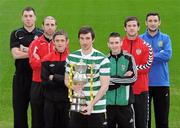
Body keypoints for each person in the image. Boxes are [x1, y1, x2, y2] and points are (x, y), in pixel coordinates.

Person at [64, 26, 110, 128]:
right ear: (79, 39)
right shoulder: (72, 57)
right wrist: (74, 87)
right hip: (77, 106)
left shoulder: (102, 59)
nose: (84, 42)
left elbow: (105, 86)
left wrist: (91, 105)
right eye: (82, 38)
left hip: (97, 108)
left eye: (88, 38)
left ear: (93, 39)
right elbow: (66, 80)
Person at [10, 7, 43, 128]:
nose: (28, 18)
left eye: (30, 16)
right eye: (25, 16)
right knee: (19, 112)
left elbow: (43, 55)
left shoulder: (41, 34)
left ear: (35, 17)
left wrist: (24, 49)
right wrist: (32, 52)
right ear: (22, 18)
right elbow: (15, 54)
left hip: (37, 79)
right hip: (20, 78)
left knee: (38, 112)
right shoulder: (16, 33)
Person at [140, 12, 172, 128]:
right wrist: (159, 53)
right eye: (150, 21)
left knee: (162, 119)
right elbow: (139, 59)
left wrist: (148, 55)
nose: (152, 23)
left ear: (159, 22)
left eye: (155, 21)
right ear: (146, 23)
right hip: (144, 84)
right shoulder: (140, 39)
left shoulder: (165, 38)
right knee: (144, 120)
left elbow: (167, 55)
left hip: (161, 83)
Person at [121, 16, 153, 128]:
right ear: (125, 28)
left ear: (138, 27)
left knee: (141, 122)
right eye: (129, 26)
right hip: (122, 91)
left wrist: (131, 70)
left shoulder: (146, 46)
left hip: (141, 90)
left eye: (134, 25)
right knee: (124, 123)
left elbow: (147, 67)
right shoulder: (118, 45)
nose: (131, 28)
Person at [28, 16, 57, 128]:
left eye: (52, 25)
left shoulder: (60, 42)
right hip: (38, 83)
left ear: (56, 26)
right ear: (42, 26)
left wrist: (41, 60)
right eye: (47, 24)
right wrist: (51, 63)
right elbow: (34, 65)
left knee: (52, 117)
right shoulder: (35, 43)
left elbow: (62, 65)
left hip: (53, 84)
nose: (50, 27)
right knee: (37, 117)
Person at [106, 32, 137, 128]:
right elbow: (103, 82)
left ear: (121, 43)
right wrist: (123, 78)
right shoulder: (104, 60)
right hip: (108, 106)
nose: (114, 45)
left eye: (116, 42)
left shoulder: (129, 58)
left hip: (125, 106)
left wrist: (111, 79)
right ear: (108, 44)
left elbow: (132, 79)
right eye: (111, 43)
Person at [41, 30, 70, 128]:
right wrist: (64, 80)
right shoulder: (46, 59)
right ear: (53, 42)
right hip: (50, 102)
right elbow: (45, 82)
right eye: (57, 40)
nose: (60, 43)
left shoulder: (72, 59)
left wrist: (54, 77)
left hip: (66, 102)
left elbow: (73, 81)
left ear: (67, 42)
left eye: (62, 40)